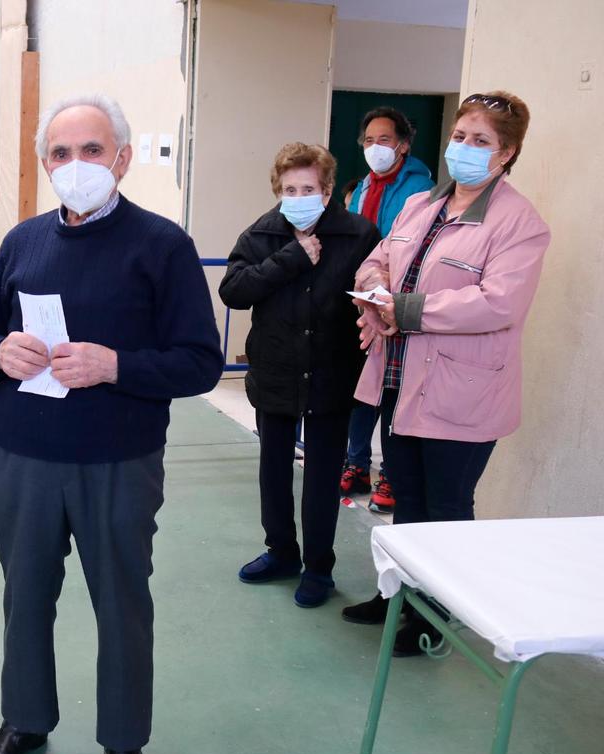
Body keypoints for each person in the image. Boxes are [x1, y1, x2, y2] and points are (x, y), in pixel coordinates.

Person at [0, 94, 224, 754]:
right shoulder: (22, 243)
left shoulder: (162, 245)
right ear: (45, 163)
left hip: (119, 459)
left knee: (121, 603)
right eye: (60, 153)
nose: (75, 165)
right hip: (26, 454)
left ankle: (124, 744)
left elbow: (201, 361)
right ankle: (24, 721)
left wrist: (118, 366)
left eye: (92, 150)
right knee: (24, 598)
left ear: (123, 157)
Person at [341, 92, 549, 655]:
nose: (465, 148)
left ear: (506, 154)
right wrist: (373, 294)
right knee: (405, 497)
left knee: (447, 509)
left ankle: (435, 622)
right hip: (403, 381)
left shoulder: (519, 223)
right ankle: (397, 598)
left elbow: (498, 303)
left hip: (465, 393)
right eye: (461, 136)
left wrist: (405, 308)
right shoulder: (422, 205)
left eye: (481, 142)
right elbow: (380, 258)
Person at [219, 143, 381, 609]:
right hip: (275, 372)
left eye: (308, 188)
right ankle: (281, 552)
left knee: (323, 476)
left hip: (332, 373)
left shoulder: (358, 234)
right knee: (272, 470)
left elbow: (374, 287)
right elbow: (233, 291)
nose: (298, 195)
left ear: (327, 190)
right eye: (290, 188)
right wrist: (290, 257)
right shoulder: (263, 233)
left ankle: (319, 567)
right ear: (278, 190)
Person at [341, 108, 436, 513]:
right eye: (368, 141)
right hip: (362, 292)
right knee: (361, 390)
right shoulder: (364, 185)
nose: (375, 148)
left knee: (390, 391)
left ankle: (390, 475)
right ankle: (357, 462)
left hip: (396, 302)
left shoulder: (419, 189)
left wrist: (385, 295)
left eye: (384, 140)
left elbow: (401, 247)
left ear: (403, 144)